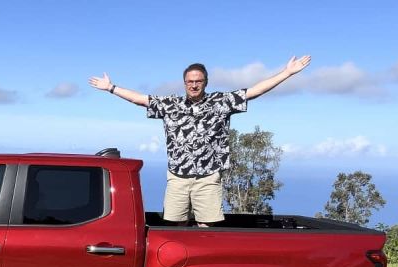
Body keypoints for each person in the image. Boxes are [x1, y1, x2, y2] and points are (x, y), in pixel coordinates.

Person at [89, 56, 311, 226]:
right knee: (175, 225)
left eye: (198, 81)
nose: (194, 85)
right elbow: (140, 99)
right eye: (189, 82)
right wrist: (111, 88)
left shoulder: (220, 101)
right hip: (177, 177)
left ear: (205, 82)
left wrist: (287, 73)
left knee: (207, 228)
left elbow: (253, 92)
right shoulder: (171, 104)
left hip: (208, 177)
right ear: (184, 83)